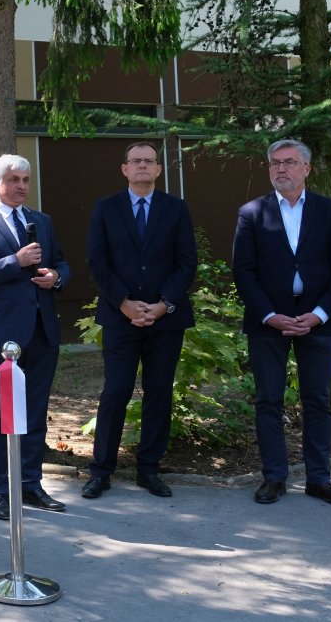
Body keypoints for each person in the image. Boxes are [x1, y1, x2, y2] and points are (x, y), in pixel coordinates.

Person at [232, 139, 331, 508]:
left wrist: (318, 314)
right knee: (268, 400)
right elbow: (244, 271)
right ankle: (274, 476)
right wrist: (270, 316)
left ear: (306, 168)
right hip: (268, 322)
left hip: (318, 322)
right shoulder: (252, 213)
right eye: (274, 163)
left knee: (317, 400)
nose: (280, 169)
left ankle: (319, 479)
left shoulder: (329, 211)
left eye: (288, 162)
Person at [82, 142, 197, 500]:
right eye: (136, 161)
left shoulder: (176, 209)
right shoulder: (105, 208)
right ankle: (101, 471)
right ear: (125, 169)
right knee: (116, 390)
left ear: (159, 169)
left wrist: (164, 305)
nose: (143, 165)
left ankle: (149, 470)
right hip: (120, 318)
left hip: (166, 319)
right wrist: (124, 303)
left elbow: (187, 263)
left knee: (159, 392)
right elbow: (97, 261)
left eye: (149, 161)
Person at [0, 154, 71, 521]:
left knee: (35, 412)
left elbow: (62, 263)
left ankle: (30, 484)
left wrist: (56, 278)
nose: (21, 186)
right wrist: (15, 261)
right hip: (2, 335)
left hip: (42, 330)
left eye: (26, 179)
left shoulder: (42, 221)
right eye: (13, 180)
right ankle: (0, 490)